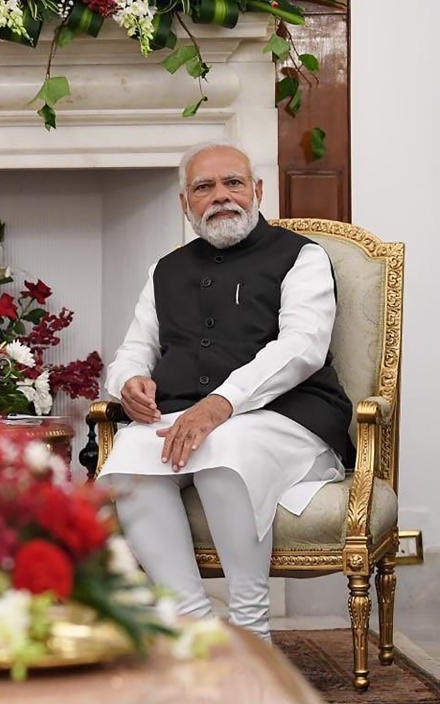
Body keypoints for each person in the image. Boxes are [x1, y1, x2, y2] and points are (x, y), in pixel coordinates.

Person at [98, 141, 354, 640]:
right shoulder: (165, 270)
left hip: (290, 418)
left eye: (233, 182)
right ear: (184, 203)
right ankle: (194, 628)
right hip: (187, 419)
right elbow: (134, 349)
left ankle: (251, 627)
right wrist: (126, 382)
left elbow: (302, 346)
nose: (221, 196)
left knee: (223, 444)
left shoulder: (301, 256)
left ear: (256, 191)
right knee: (128, 454)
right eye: (204, 187)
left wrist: (221, 403)